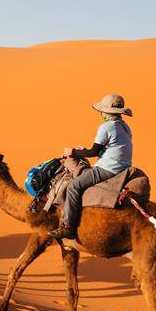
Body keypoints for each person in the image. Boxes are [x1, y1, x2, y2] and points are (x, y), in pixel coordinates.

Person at [49, 94, 134, 240]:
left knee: (73, 186)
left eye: (103, 110)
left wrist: (73, 152)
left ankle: (68, 227)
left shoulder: (106, 127)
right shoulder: (124, 126)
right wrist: (84, 150)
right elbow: (111, 147)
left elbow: (94, 152)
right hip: (123, 166)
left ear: (107, 112)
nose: (101, 113)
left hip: (108, 168)